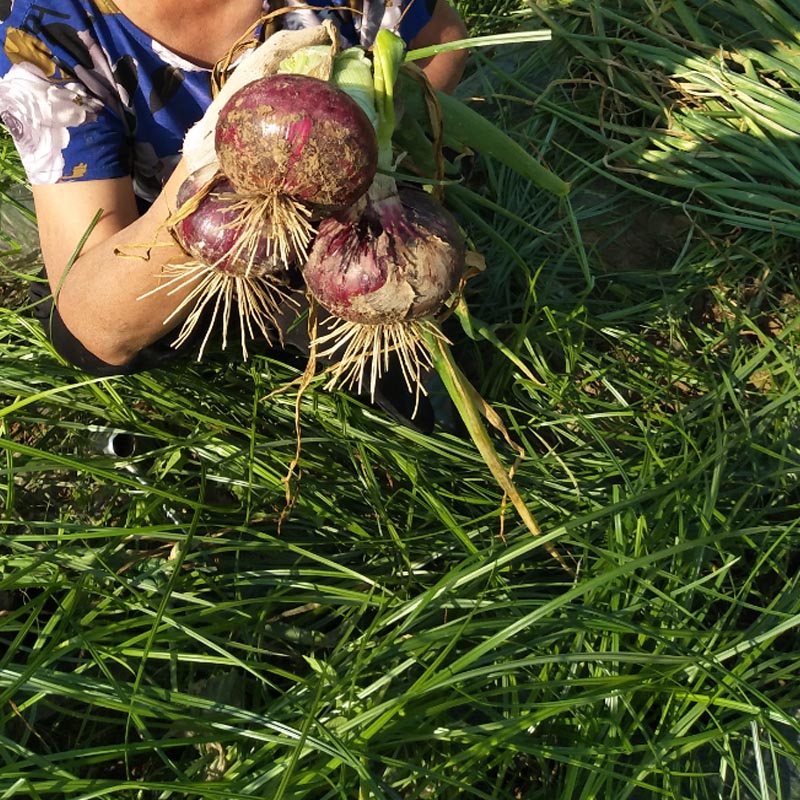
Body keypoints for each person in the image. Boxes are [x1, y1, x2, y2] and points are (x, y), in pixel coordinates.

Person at [0, 0, 468, 376]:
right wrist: (203, 172)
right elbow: (89, 327)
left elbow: (444, 39)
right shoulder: (48, 35)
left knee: (425, 378)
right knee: (93, 337)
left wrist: (383, 146)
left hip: (352, 223)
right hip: (184, 233)